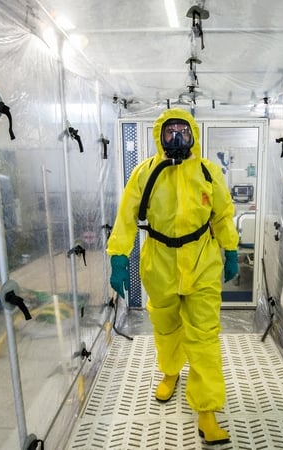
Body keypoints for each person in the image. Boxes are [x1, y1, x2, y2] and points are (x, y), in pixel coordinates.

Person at [106, 108, 239, 445]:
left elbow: (223, 213)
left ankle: (206, 411)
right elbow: (125, 216)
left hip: (202, 259)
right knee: (165, 326)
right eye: (170, 132)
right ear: (159, 137)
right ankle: (170, 372)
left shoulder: (208, 172)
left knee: (204, 335)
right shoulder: (145, 173)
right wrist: (118, 256)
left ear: (193, 133)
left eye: (183, 131)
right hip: (160, 261)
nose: (177, 138)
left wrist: (231, 248)